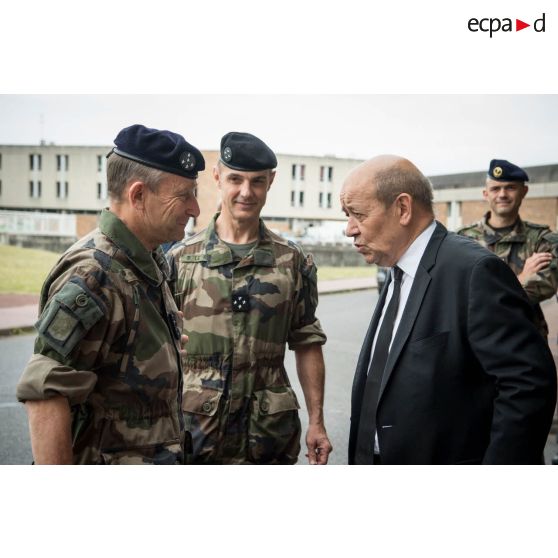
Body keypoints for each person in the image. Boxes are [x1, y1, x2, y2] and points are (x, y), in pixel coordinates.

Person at [341, 154, 557, 465]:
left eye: (358, 214)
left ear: (402, 208)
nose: (349, 229)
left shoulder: (474, 271)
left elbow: (527, 384)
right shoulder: (397, 266)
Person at [16, 124, 204, 464]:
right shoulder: (94, 275)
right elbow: (46, 395)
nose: (195, 209)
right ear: (138, 196)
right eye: (184, 195)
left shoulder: (145, 260)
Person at [168, 131, 332, 464]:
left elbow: (307, 341)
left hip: (268, 438)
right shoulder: (180, 260)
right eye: (235, 179)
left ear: (271, 181)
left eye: (257, 181)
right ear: (216, 177)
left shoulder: (292, 261)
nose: (246, 192)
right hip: (195, 437)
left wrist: (317, 421)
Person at [458, 159, 558, 338]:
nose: (502, 194)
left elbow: (545, 286)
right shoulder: (462, 239)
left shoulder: (543, 239)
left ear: (524, 191)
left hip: (525, 344)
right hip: (474, 347)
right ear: (485, 194)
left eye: (510, 187)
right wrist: (520, 280)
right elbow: (456, 294)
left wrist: (483, 293)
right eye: (495, 188)